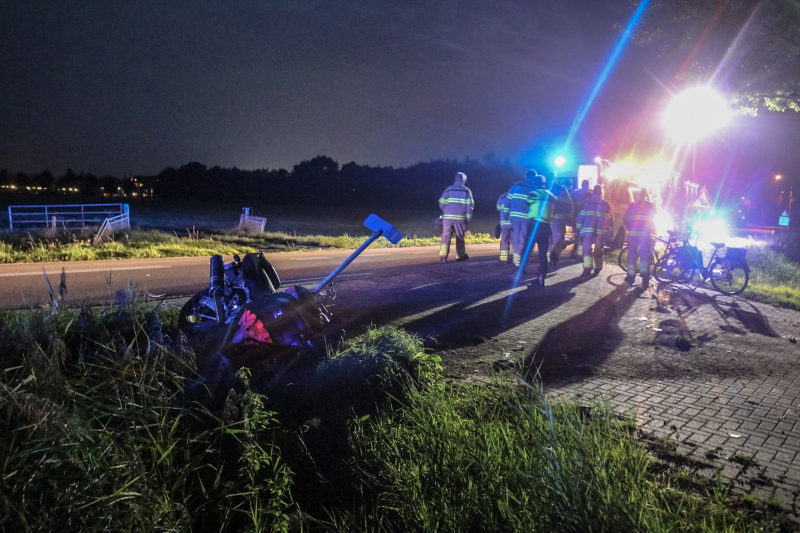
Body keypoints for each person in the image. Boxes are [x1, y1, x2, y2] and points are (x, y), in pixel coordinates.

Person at [508, 170, 555, 285]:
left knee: (527, 251)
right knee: (543, 254)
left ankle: (519, 273)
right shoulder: (551, 196)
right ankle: (541, 277)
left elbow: (527, 203)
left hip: (534, 226)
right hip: (547, 227)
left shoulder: (535, 193)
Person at [575, 184, 613, 282]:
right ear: (601, 193)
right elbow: (610, 220)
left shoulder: (588, 202)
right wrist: (610, 233)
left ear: (593, 192)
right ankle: (598, 269)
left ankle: (587, 270)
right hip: (600, 232)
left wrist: (578, 228)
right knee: (599, 251)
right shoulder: (606, 204)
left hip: (587, 231)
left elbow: (581, 215)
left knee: (587, 251)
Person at [622, 188, 657, 287]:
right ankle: (645, 280)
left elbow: (625, 219)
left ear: (638, 195)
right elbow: (653, 220)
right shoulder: (651, 206)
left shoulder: (632, 206)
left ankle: (631, 277)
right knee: (644, 257)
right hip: (644, 235)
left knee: (632, 255)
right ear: (646, 195)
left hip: (633, 235)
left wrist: (630, 227)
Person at [438, 171, 474, 263]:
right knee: (460, 237)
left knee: (446, 236)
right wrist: (468, 219)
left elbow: (441, 203)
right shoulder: (466, 191)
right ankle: (460, 256)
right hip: (460, 219)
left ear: (455, 179)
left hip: (448, 219)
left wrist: (446, 211)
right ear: (464, 180)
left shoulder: (449, 189)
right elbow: (469, 207)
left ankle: (443, 257)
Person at [546, 172, 573, 270]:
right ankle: (555, 257)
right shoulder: (562, 189)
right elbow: (569, 205)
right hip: (559, 219)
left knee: (547, 240)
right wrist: (570, 218)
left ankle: (547, 261)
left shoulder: (543, 188)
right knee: (558, 239)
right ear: (556, 178)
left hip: (545, 219)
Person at [571, 179, 593, 259]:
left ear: (581, 184)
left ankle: (575, 250)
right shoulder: (590, 194)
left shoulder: (574, 193)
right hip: (585, 217)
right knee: (584, 235)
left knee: (577, 233)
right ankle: (579, 253)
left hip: (575, 216)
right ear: (588, 185)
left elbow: (571, 205)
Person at [496, 190, 513, 263]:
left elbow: (498, 208)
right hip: (513, 223)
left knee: (504, 240)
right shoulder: (514, 196)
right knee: (513, 240)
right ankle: (513, 257)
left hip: (504, 223)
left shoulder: (501, 197)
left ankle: (503, 258)